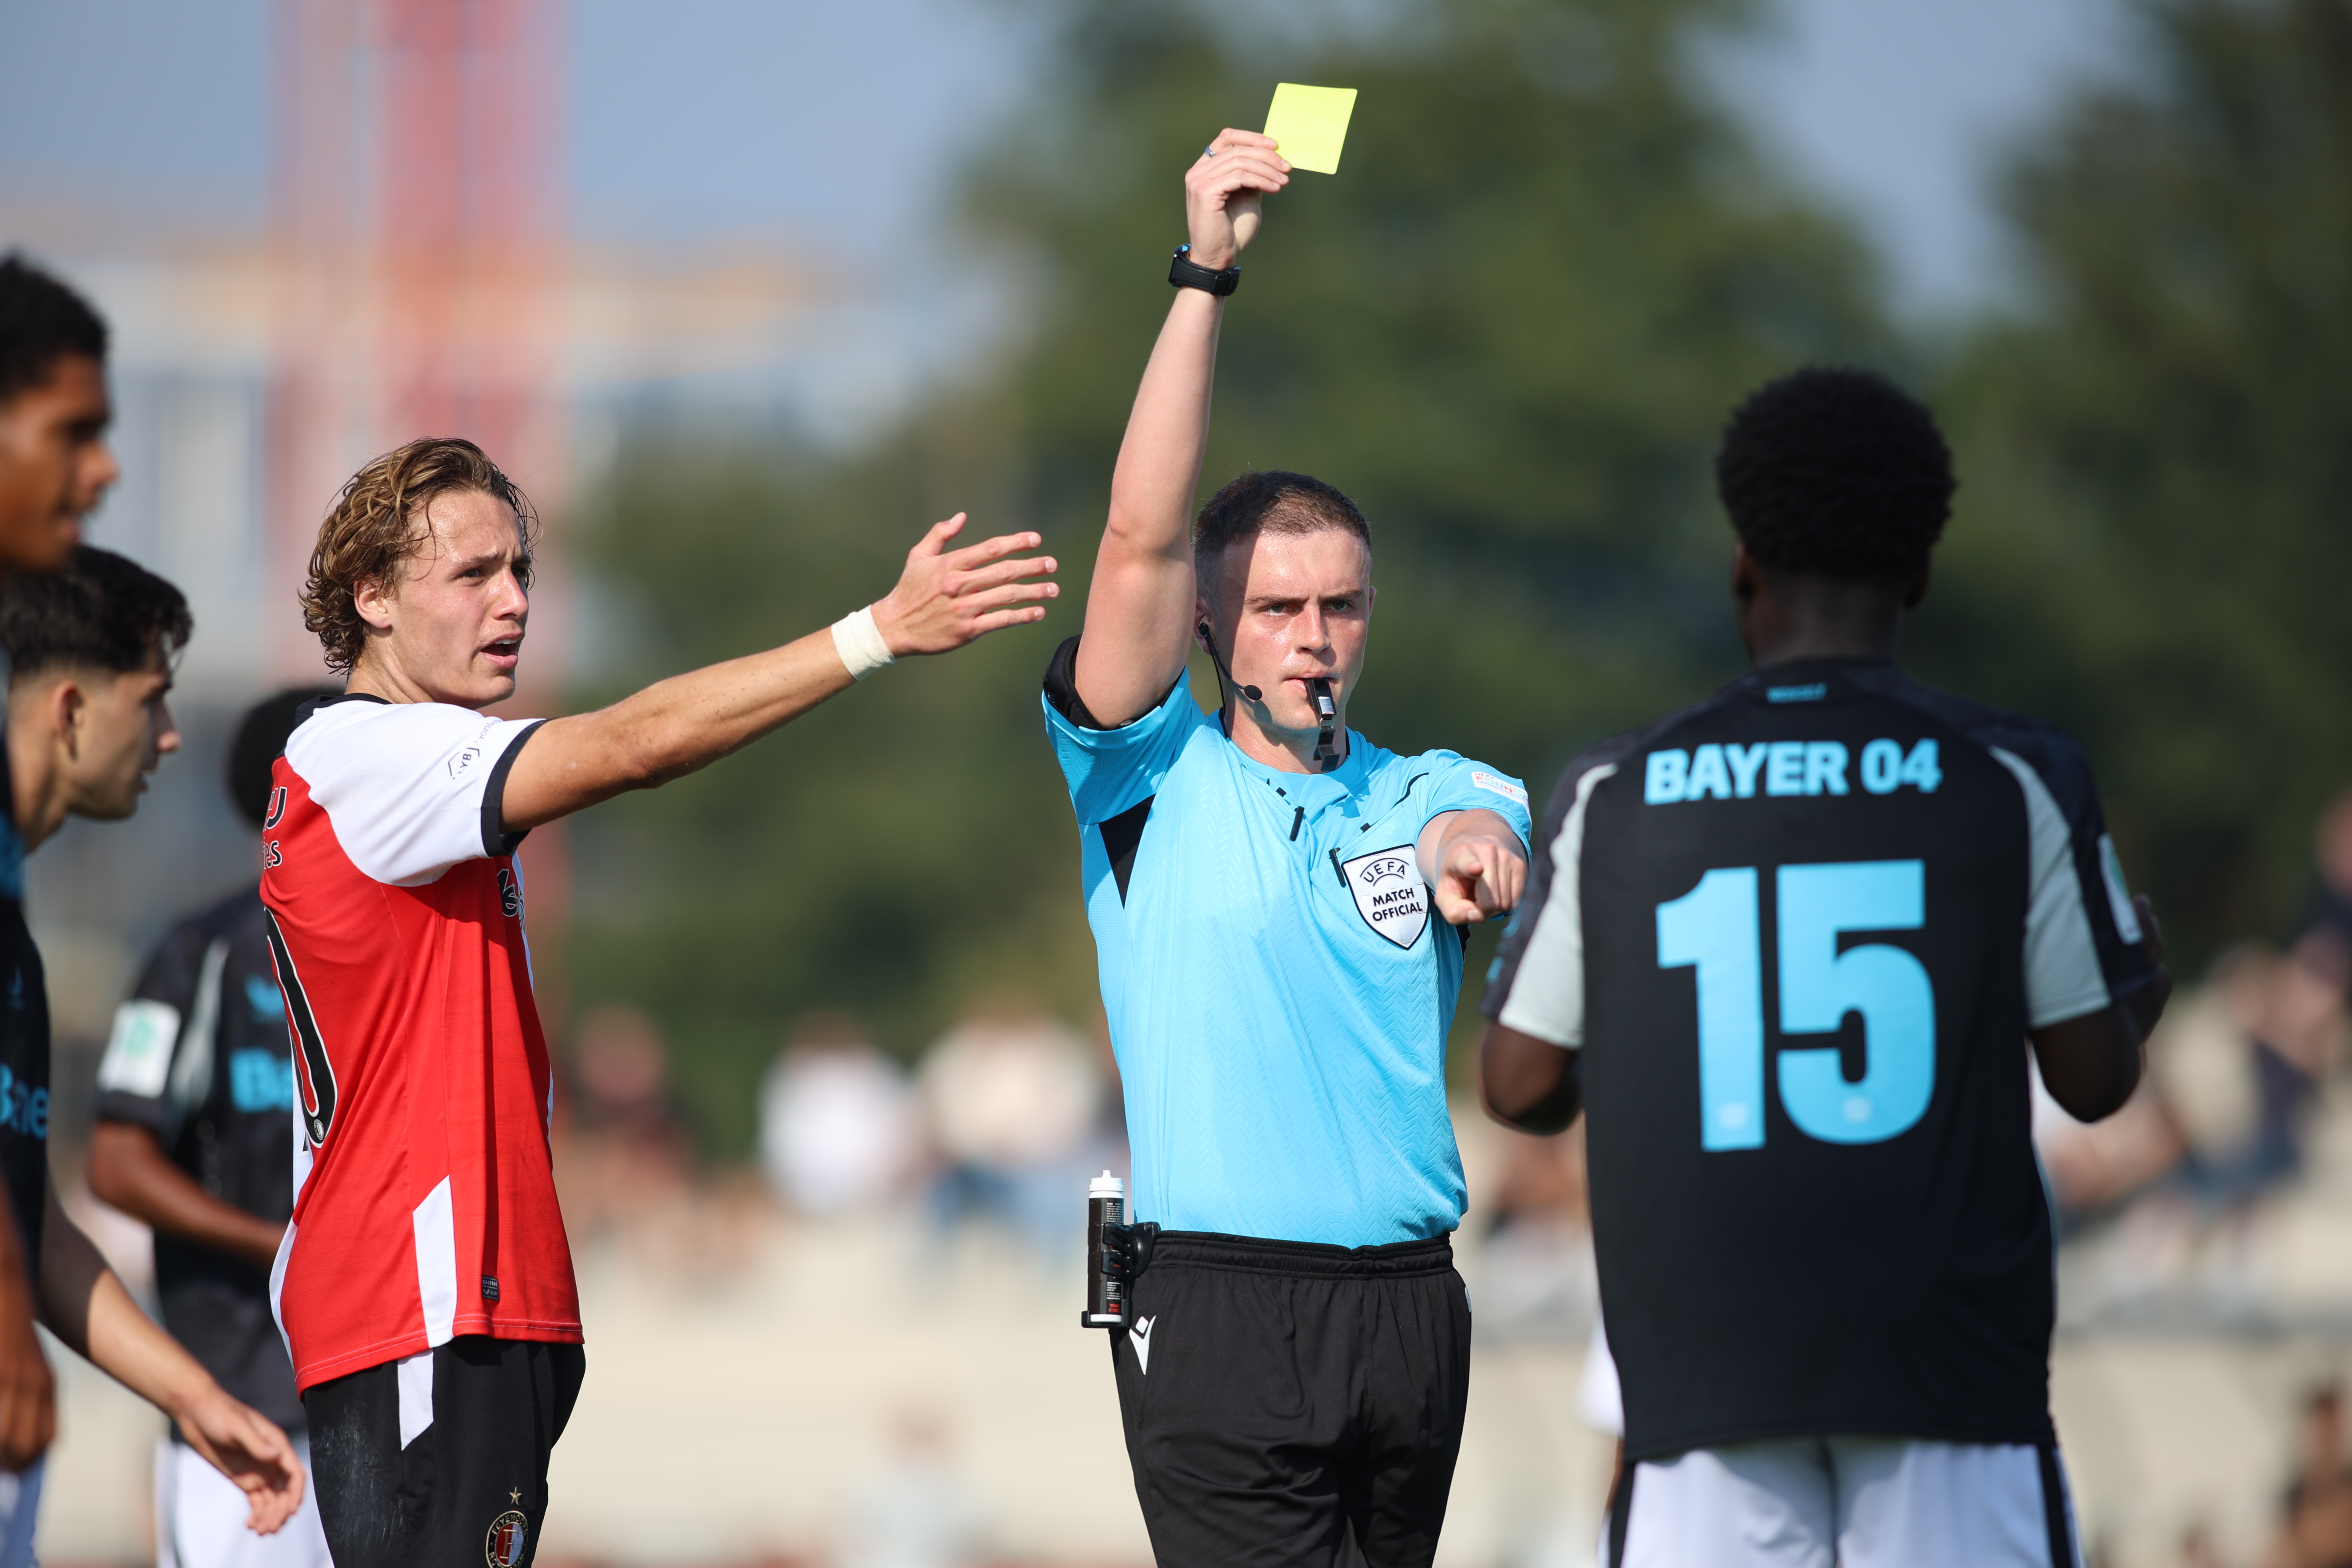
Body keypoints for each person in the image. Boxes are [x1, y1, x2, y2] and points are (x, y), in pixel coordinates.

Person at [265, 434, 1054, 1568]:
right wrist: (872, 634)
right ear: (372, 598)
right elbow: (635, 744)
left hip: (487, 1302)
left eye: (521, 571)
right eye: (473, 574)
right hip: (418, 1305)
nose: (514, 601)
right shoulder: (365, 753)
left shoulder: (417, 762)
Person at [1479, 367, 2171, 1567]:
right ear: (1921, 570)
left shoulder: (1618, 790)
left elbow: (1519, 1081)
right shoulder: (2015, 776)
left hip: (1702, 1393)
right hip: (1950, 1386)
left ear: (1742, 560)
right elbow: (2095, 1080)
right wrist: (2140, 988)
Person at [1042, 131, 1532, 1568]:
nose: (1315, 637)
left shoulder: (1429, 779)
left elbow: (1482, 829)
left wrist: (1470, 847)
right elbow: (1138, 538)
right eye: (1276, 608)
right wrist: (1205, 272)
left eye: (1341, 606)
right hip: (1219, 1306)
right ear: (1212, 625)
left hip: (1411, 1308)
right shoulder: (1148, 776)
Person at [0, 260, 305, 1563]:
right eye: (153, 700)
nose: (173, 738)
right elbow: (113, 1168)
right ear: (72, 707)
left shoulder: (15, 910)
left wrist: (192, 1394)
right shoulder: (199, 952)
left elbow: (41, 1213)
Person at [91, 687, 339, 1568]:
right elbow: (116, 1162)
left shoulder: (407, 952)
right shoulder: (203, 950)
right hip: (242, 1405)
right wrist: (283, 1245)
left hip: (382, 1406)